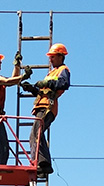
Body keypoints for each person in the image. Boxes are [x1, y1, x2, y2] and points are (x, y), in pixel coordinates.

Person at [22, 43, 70, 176]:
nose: (50, 59)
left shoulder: (63, 70)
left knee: (35, 134)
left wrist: (47, 83)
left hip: (48, 107)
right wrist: (32, 88)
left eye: (53, 57)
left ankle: (42, 164)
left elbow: (64, 84)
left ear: (60, 56)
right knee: (35, 134)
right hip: (42, 106)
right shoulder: (51, 73)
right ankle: (41, 164)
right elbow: (43, 91)